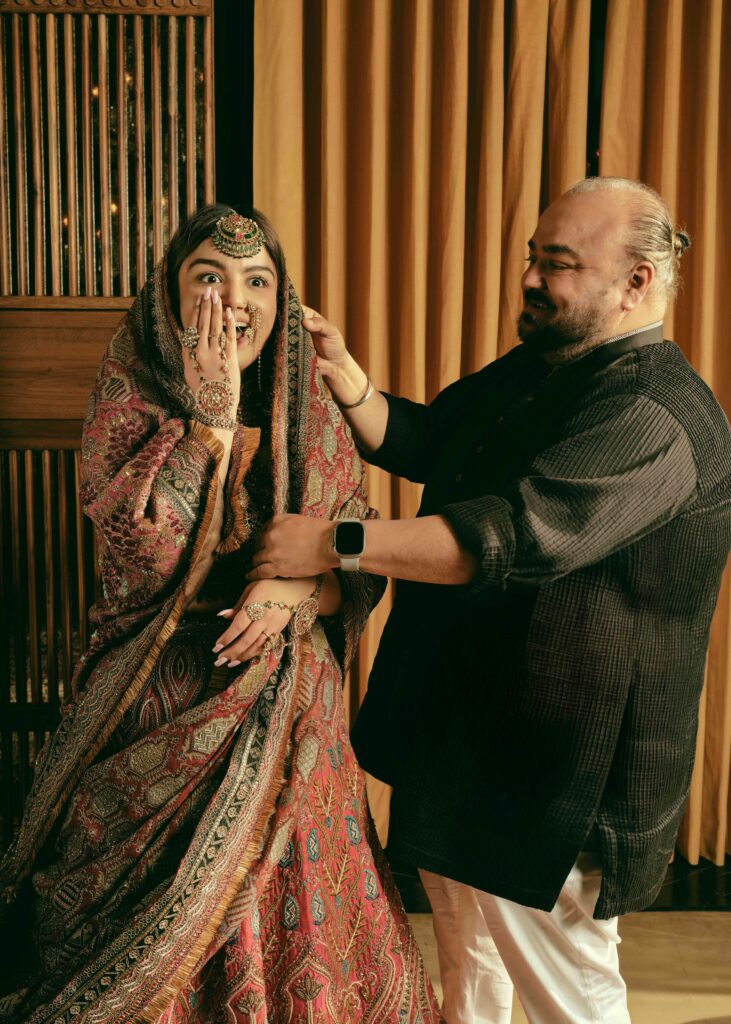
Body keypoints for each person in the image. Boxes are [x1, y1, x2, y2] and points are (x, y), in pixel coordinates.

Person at [250, 178, 731, 1024]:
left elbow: (509, 539)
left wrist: (332, 543)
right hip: (470, 745)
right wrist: (347, 379)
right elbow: (438, 442)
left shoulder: (655, 414)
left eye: (559, 264)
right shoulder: (548, 361)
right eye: (532, 257)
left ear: (637, 282)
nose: (531, 279)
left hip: (554, 776)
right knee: (470, 971)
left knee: (569, 1001)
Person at [0, 205, 443, 1024]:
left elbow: (360, 565)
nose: (234, 300)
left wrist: (298, 590)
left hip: (293, 699)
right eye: (209, 277)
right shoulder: (130, 394)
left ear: (282, 298)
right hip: (159, 688)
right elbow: (143, 557)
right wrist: (208, 424)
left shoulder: (308, 404)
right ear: (170, 295)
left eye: (257, 281)